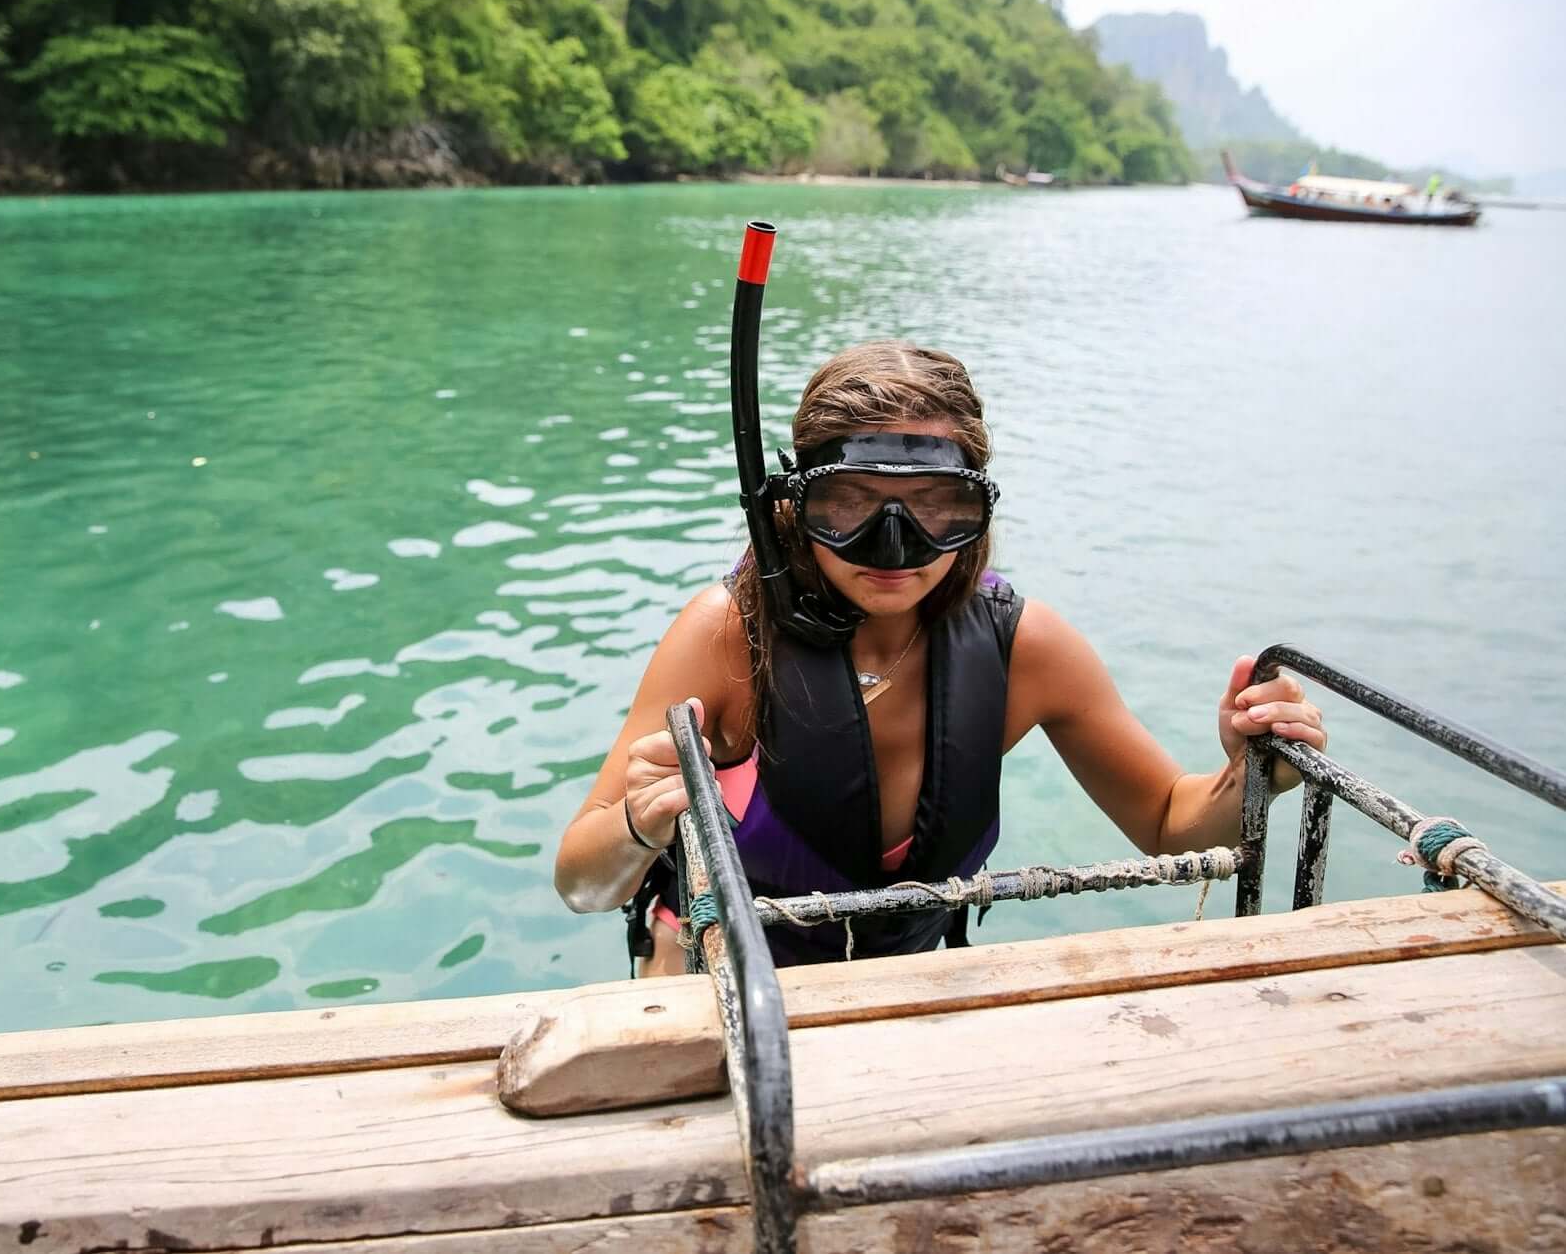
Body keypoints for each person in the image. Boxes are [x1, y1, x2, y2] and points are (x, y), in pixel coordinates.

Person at [553, 339, 1327, 975]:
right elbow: (581, 883)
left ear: (977, 505)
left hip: (910, 993)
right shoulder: (729, 635)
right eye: (850, 505)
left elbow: (1168, 823)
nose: (895, 548)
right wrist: (638, 823)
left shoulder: (1024, 647)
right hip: (715, 986)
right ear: (793, 505)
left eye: (935, 507)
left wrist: (1251, 773)